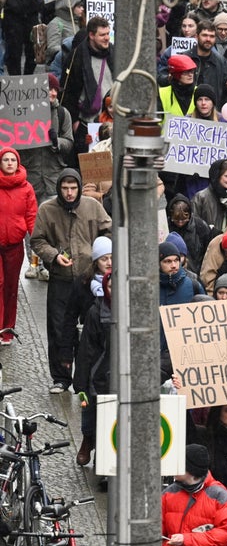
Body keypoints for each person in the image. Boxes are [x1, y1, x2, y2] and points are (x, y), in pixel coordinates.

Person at [29, 168, 111, 393]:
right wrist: (53, 255)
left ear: (79, 187)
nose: (69, 193)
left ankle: (88, 378)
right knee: (59, 329)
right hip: (61, 279)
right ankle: (61, 378)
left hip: (88, 280)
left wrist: (100, 256)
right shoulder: (47, 210)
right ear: (59, 189)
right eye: (65, 188)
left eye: (73, 188)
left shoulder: (92, 206)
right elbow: (37, 240)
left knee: (90, 328)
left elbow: (109, 230)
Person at [0, 149, 36, 347]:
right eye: (5, 159)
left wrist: (37, 241)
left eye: (13, 159)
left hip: (14, 245)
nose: (9, 163)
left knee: (12, 288)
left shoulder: (27, 188)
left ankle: (7, 330)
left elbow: (31, 215)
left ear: (18, 162)